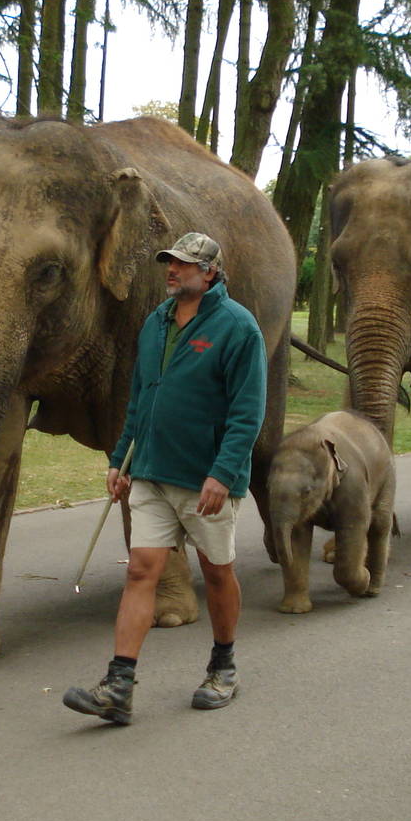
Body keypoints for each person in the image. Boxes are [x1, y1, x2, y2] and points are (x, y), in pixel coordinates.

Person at [63, 232, 267, 725]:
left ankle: (224, 667)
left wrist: (223, 472)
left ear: (211, 273)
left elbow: (247, 411)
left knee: (216, 571)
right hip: (151, 472)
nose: (172, 270)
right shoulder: (155, 323)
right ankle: (118, 685)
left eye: (184, 264)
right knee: (140, 571)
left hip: (206, 479)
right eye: (170, 262)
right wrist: (120, 460)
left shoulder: (238, 328)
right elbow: (141, 399)